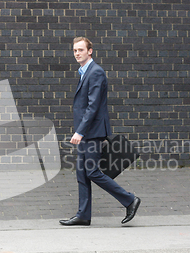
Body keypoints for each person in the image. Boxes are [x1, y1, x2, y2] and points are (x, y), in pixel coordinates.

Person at [59, 37, 141, 226]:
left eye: (80, 50)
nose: (77, 53)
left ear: (90, 51)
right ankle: (83, 215)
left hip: (92, 131)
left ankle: (130, 200)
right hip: (87, 131)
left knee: (92, 171)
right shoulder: (84, 72)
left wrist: (80, 131)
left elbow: (93, 106)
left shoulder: (95, 72)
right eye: (74, 50)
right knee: (82, 173)